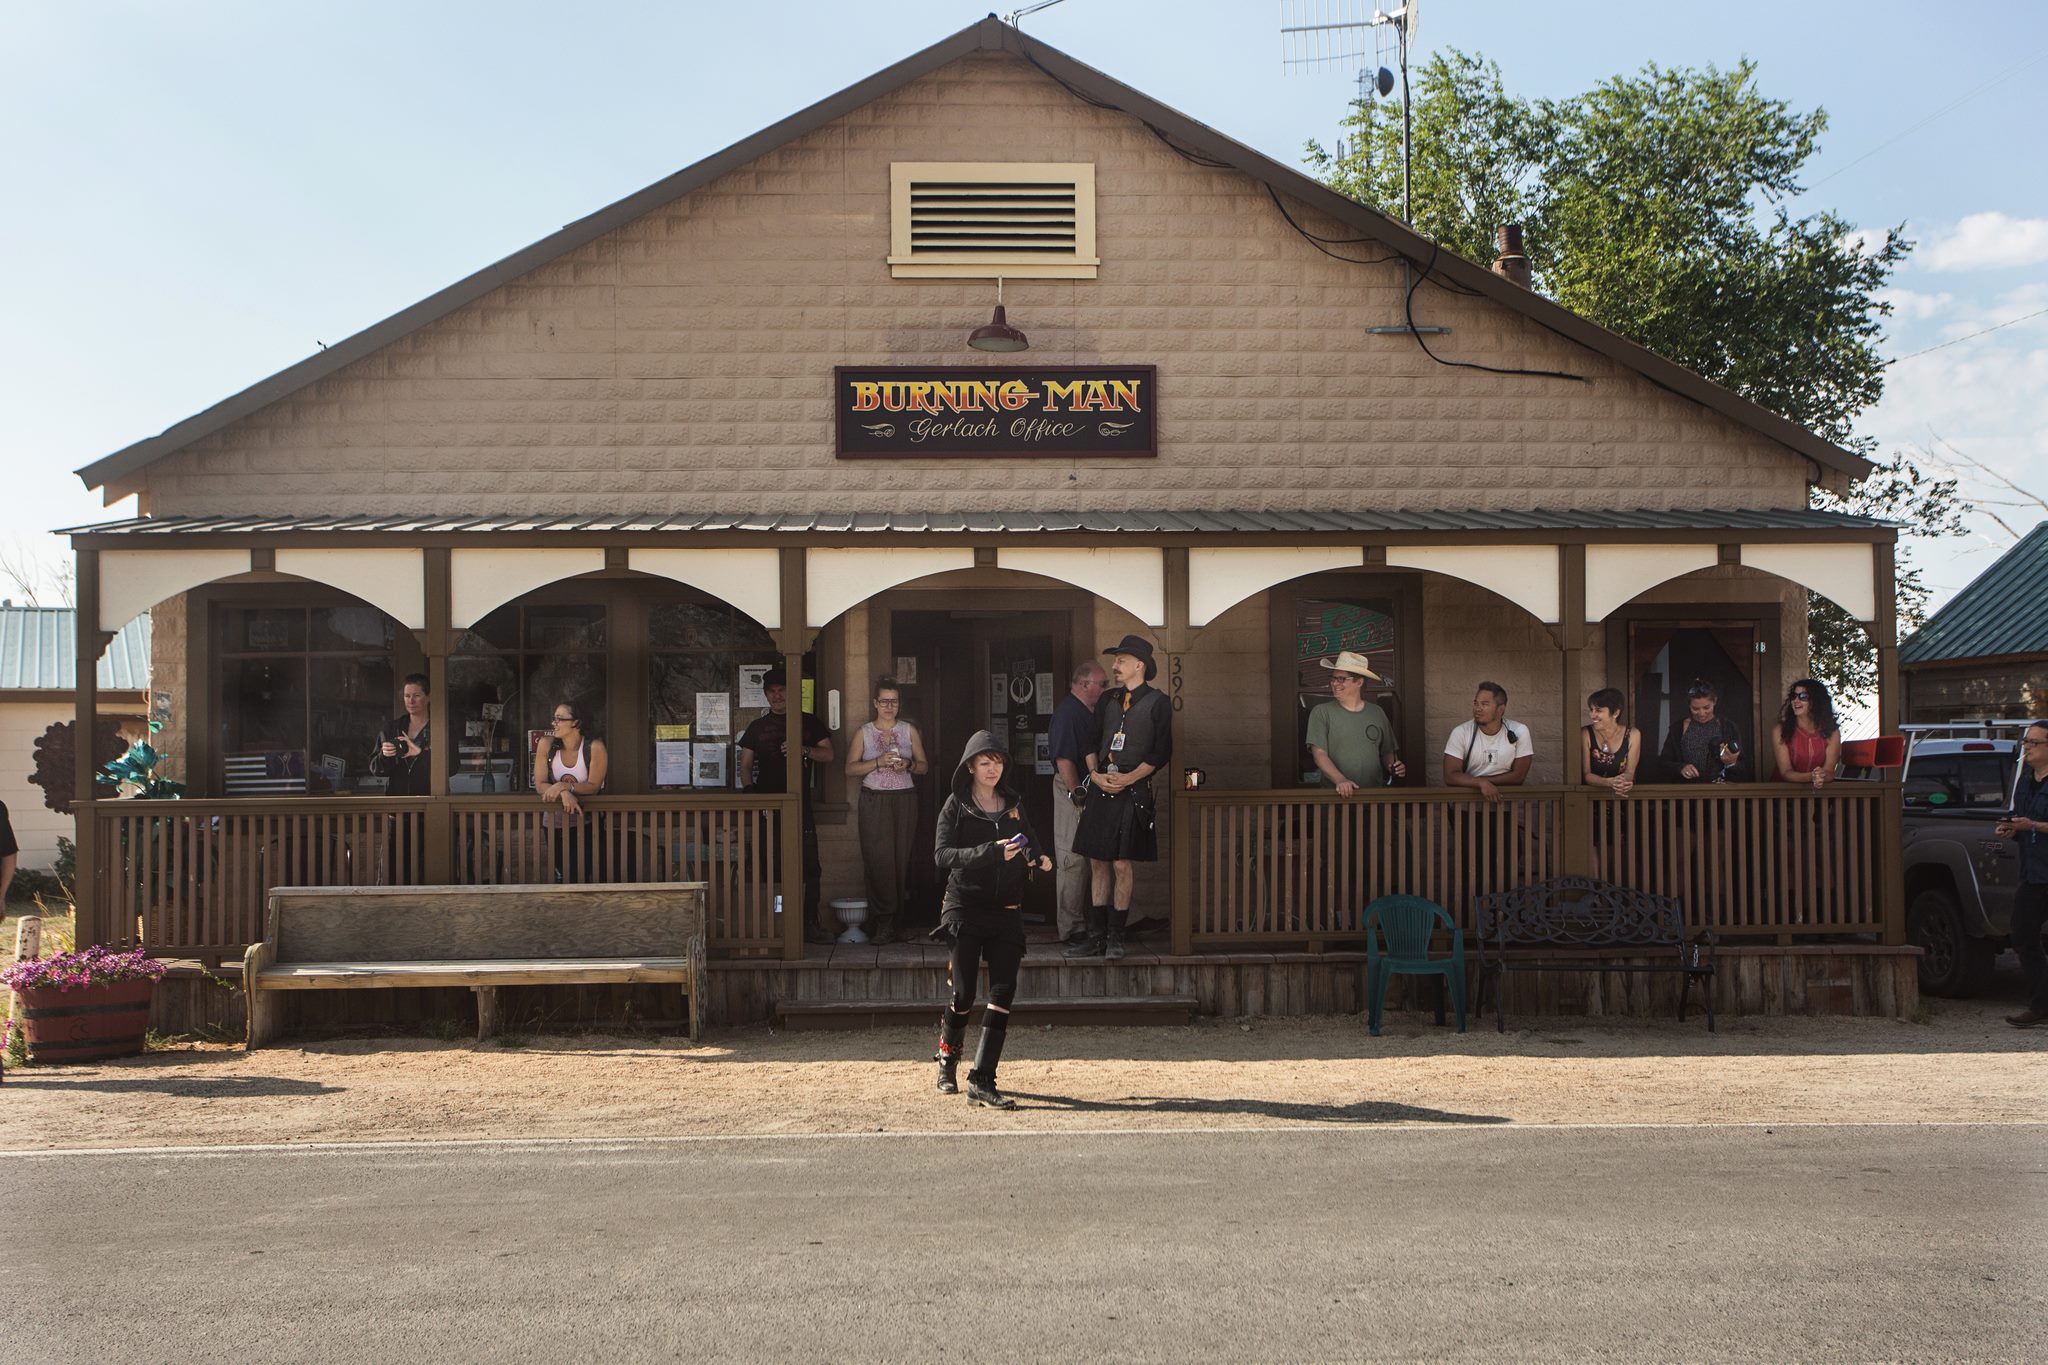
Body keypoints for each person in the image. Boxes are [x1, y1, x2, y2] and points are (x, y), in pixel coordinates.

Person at [931, 731, 1052, 1108]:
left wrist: (1037, 857)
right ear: (970, 766)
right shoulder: (956, 805)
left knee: (1002, 992)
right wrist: (991, 853)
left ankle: (982, 1079)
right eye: (985, 763)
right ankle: (948, 1059)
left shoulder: (1013, 802)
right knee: (964, 993)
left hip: (1007, 910)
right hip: (964, 906)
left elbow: (1028, 838)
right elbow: (942, 855)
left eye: (998, 762)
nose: (992, 769)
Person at [1067, 634, 1173, 959]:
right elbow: (1089, 741)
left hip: (1134, 790)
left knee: (1122, 864)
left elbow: (1161, 752)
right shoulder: (1107, 699)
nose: (1114, 666)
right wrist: (1095, 775)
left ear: (1139, 665)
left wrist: (1129, 778)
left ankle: (1116, 937)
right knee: (1097, 861)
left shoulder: (1158, 702)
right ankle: (1097, 937)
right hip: (1100, 788)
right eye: (1115, 661)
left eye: (1121, 661)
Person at [737, 666, 835, 944]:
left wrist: (802, 749)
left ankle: (808, 925)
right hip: (768, 810)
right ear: (766, 695)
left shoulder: (808, 722)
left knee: (810, 867)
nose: (777, 696)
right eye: (772, 691)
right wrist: (754, 797)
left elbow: (829, 754)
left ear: (791, 693)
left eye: (782, 690)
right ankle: (773, 925)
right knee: (769, 866)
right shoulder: (757, 727)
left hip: (800, 807)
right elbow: (745, 766)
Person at [845, 676, 928, 945]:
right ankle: (882, 922)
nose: (889, 706)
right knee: (879, 861)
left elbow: (924, 765)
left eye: (894, 701)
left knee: (900, 859)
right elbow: (850, 768)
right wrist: (878, 762)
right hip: (874, 799)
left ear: (899, 703)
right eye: (884, 701)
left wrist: (909, 764)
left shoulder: (909, 730)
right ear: (875, 703)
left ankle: (899, 923)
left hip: (904, 798)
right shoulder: (864, 732)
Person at [1047, 660, 1107, 944]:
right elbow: (1064, 760)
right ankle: (1071, 928)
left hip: (1094, 788)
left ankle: (1101, 920)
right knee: (1072, 860)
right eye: (1102, 684)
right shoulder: (1067, 713)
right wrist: (1076, 796)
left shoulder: (1089, 712)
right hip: (1073, 788)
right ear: (1085, 685)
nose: (1106, 689)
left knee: (1099, 859)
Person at [1993, 721, 2048, 1028]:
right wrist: (2010, 829)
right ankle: (2041, 1004)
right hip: (2033, 872)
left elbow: (2035, 824)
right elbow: (2020, 820)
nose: (2026, 747)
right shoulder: (2025, 783)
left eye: (2034, 743)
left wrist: (2035, 826)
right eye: (2025, 742)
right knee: (2023, 936)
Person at [1305, 650, 1406, 793]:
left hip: (1373, 798)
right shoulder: (1321, 712)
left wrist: (1394, 767)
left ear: (1359, 682)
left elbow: (1387, 752)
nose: (1334, 683)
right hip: (1335, 799)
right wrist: (1340, 780)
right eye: (1333, 678)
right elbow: (1319, 754)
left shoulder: (1377, 712)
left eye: (1341, 679)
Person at [533, 699, 608, 883]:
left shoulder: (594, 747)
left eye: (559, 719)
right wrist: (563, 791)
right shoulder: (546, 745)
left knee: (580, 874)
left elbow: (593, 786)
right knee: (560, 874)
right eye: (554, 718)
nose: (554, 723)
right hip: (553, 822)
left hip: (585, 822)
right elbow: (540, 784)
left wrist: (566, 785)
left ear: (576, 722)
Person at [1441, 682, 1534, 799]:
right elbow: (1450, 776)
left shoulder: (1519, 730)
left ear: (1500, 709)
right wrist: (1481, 783)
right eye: (1476, 703)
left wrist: (1482, 782)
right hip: (1466, 808)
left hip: (1504, 806)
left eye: (1484, 704)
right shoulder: (1461, 732)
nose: (1477, 708)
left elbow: (1519, 776)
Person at [1657, 680, 1744, 783]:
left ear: (1714, 702)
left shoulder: (1728, 727)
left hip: (1721, 791)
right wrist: (1681, 768)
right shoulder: (1678, 728)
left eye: (1706, 707)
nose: (1702, 713)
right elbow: (1664, 763)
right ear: (1689, 705)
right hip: (1687, 791)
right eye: (1695, 708)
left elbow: (1743, 766)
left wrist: (1731, 763)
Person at [1771, 678, 1842, 787]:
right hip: (1782, 796)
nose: (1796, 700)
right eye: (1793, 696)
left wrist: (1822, 776)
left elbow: (1829, 771)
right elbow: (1786, 772)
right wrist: (1811, 776)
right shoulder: (1780, 730)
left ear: (1816, 701)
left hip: (1816, 797)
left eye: (1803, 697)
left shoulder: (1832, 732)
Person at [370, 673, 432, 796]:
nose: (411, 701)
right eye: (407, 696)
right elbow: (376, 769)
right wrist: (384, 755)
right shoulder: (392, 728)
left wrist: (420, 754)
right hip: (398, 806)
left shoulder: (439, 728)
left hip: (430, 804)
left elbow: (452, 767)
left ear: (429, 697)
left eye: (417, 695)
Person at [1579, 687, 1641, 796]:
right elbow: (1587, 775)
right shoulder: (1585, 733)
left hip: (1621, 798)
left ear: (1616, 712)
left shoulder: (1633, 734)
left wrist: (1623, 782)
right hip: (1591, 798)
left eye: (1598, 710)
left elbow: (1630, 773)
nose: (1592, 715)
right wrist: (1609, 782)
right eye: (1591, 710)